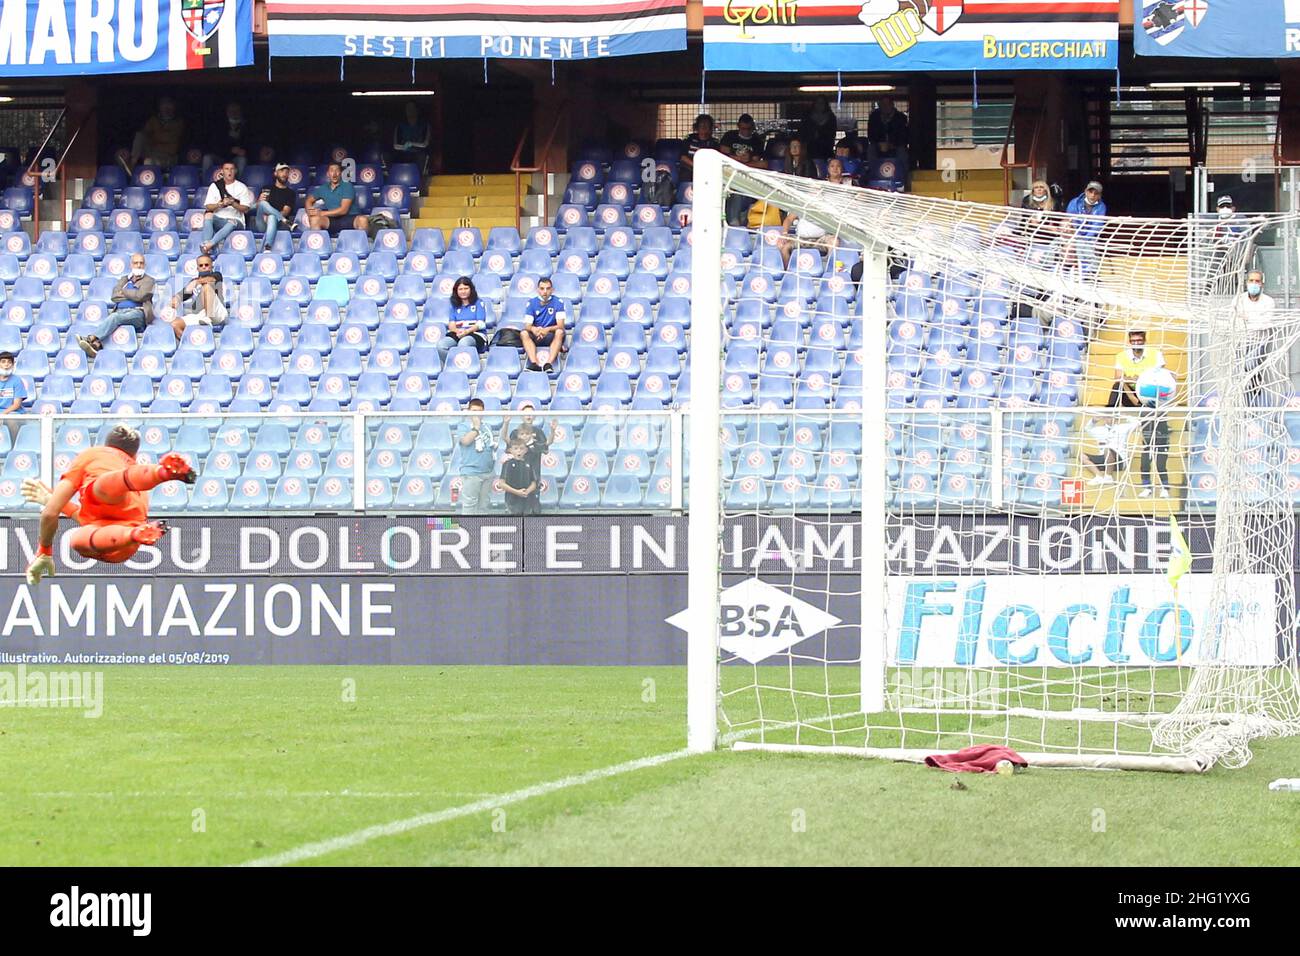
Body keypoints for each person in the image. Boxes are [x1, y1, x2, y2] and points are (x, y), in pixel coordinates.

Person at [21, 424, 197, 585]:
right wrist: (51, 500)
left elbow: (50, 513)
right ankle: (161, 473)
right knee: (107, 488)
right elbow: (89, 517)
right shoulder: (140, 488)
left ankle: (134, 533)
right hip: (125, 540)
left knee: (78, 537)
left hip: (111, 534)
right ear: (134, 455)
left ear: (106, 444)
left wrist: (44, 550)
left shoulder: (92, 454)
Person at [1108, 329, 1171, 498]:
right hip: (1132, 395)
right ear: (1129, 341)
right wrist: (1135, 393)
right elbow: (1119, 380)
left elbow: (1162, 377)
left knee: (1156, 446)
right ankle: (1109, 415)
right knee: (1117, 386)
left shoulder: (1155, 355)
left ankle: (1163, 486)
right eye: (1133, 340)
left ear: (1144, 340)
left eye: (1139, 340)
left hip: (1151, 396)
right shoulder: (1122, 356)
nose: (1137, 343)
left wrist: (1139, 379)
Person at [77, 253, 155, 359]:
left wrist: (123, 292)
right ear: (131, 265)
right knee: (116, 317)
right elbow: (114, 296)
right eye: (136, 263)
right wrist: (130, 291)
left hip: (138, 313)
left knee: (115, 317)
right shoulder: (125, 280)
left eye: (141, 263)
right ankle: (95, 346)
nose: (138, 265)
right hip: (120, 311)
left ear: (144, 265)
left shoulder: (149, 281)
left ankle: (91, 338)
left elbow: (140, 296)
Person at [719, 114, 767, 226]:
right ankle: (732, 220)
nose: (746, 131)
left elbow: (756, 161)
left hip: (746, 175)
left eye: (749, 129)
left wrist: (743, 161)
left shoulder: (757, 140)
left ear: (752, 127)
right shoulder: (729, 136)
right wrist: (739, 159)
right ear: (738, 126)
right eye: (743, 128)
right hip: (728, 173)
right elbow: (722, 154)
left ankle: (738, 221)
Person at [200, 161, 253, 255]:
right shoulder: (214, 186)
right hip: (219, 219)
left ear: (235, 171)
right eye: (227, 169)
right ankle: (206, 245)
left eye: (232, 169)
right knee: (208, 215)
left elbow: (246, 209)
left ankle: (209, 245)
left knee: (232, 221)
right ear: (222, 171)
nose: (229, 171)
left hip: (236, 221)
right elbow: (208, 206)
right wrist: (220, 204)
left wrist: (233, 204)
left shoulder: (241, 187)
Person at [169, 253, 226, 341]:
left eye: (206, 265)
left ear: (211, 266)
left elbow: (211, 280)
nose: (204, 267)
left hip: (217, 313)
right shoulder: (193, 281)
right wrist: (176, 299)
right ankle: (188, 343)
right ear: (197, 268)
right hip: (200, 315)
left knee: (206, 287)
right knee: (175, 324)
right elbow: (183, 294)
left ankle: (207, 319)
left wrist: (196, 283)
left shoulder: (217, 275)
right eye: (201, 265)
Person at [455, 399, 498, 515]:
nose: (477, 414)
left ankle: (480, 531)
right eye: (474, 411)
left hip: (488, 472)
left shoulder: (487, 427)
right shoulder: (463, 426)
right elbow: (465, 441)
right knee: (470, 505)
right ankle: (469, 530)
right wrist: (476, 428)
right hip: (472, 472)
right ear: (468, 411)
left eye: (479, 411)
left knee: (484, 506)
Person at [520, 277, 567, 373]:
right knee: (524, 333)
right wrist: (534, 329)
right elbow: (527, 325)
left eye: (548, 288)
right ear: (538, 290)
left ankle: (548, 364)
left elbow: (561, 325)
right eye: (542, 288)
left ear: (552, 290)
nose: (545, 292)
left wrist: (547, 329)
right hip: (536, 334)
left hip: (551, 335)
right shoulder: (531, 303)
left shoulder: (559, 303)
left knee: (559, 332)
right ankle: (534, 364)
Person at [306, 161, 366, 235]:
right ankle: (318, 246)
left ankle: (359, 245)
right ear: (328, 174)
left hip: (350, 218)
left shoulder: (347, 186)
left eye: (337, 170)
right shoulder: (323, 188)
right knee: (315, 220)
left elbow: (343, 210)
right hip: (332, 220)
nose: (334, 174)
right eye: (331, 171)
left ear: (340, 173)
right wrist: (310, 213)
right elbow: (309, 200)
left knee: (363, 220)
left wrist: (321, 213)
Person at [437, 277, 488, 361]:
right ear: (456, 291)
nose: (463, 291)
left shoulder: (479, 303)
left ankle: (463, 367)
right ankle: (453, 364)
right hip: (458, 333)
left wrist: (466, 332)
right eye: (460, 289)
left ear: (471, 289)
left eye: (466, 288)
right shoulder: (453, 305)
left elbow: (480, 323)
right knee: (441, 345)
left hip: (475, 334)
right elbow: (451, 325)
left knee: (464, 343)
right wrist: (458, 331)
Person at [504, 402, 552, 491]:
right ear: (521, 416)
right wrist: (506, 424)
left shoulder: (539, 432)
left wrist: (552, 431)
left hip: (533, 475)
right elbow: (507, 441)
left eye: (531, 414)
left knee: (533, 503)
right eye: (525, 414)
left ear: (535, 416)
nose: (528, 416)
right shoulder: (515, 433)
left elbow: (547, 444)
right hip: (517, 475)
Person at [1081, 414, 1138, 487]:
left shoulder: (1123, 427)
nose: (1109, 419)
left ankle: (1108, 477)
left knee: (1108, 449)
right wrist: (1093, 421)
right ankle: (1099, 476)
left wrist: (1125, 416)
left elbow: (1137, 424)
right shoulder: (1099, 430)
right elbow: (1087, 429)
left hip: (1120, 460)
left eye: (1111, 417)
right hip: (1104, 459)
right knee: (1082, 456)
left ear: (1116, 418)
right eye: (1107, 417)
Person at [129, 97, 185, 170]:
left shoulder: (178, 122)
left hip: (168, 156)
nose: (166, 107)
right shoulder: (153, 120)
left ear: (174, 106)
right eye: (164, 104)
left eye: (169, 104)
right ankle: (131, 165)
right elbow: (144, 133)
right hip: (152, 151)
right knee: (140, 136)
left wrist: (154, 136)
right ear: (159, 107)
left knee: (149, 162)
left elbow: (168, 138)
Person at [1064, 180, 1107, 275]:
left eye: (1096, 193)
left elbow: (1097, 226)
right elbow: (1070, 219)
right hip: (1073, 234)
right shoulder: (1074, 202)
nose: (1092, 195)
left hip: (1090, 238)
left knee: (1086, 247)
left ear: (1099, 195)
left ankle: (1089, 273)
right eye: (1090, 192)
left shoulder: (1101, 207)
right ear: (1085, 191)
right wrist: (1076, 236)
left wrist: (1085, 238)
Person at [253, 163, 297, 252]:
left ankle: (267, 247)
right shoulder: (266, 188)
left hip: (278, 224)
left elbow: (285, 212)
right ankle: (287, 222)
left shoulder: (290, 193)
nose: (284, 174)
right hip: (262, 222)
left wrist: (271, 217)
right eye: (281, 171)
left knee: (272, 217)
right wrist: (259, 201)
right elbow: (257, 207)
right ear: (275, 173)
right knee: (262, 204)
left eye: (286, 172)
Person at [866, 95, 909, 178]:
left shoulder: (901, 118)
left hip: (896, 146)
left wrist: (892, 145)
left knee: (902, 152)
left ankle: (904, 177)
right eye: (883, 104)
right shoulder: (874, 117)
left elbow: (904, 137)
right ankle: (873, 176)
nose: (885, 107)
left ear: (892, 104)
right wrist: (879, 144)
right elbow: (870, 135)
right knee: (871, 149)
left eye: (887, 104)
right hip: (878, 146)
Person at [204, 101, 249, 174]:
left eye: (236, 111)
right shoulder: (219, 125)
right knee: (207, 158)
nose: (234, 113)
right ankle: (205, 183)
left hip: (236, 158)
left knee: (242, 160)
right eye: (231, 111)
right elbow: (214, 144)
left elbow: (249, 144)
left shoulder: (245, 126)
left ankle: (240, 184)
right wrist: (230, 150)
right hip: (221, 157)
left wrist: (243, 151)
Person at [499, 438, 539, 516]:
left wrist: (527, 491)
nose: (519, 451)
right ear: (510, 450)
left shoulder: (529, 464)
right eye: (516, 448)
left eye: (521, 448)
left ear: (526, 450)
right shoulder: (507, 464)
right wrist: (517, 492)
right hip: (512, 500)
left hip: (527, 500)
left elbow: (533, 483)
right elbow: (502, 484)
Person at [679, 114, 720, 183]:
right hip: (689, 169)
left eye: (706, 125)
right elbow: (683, 157)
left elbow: (716, 160)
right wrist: (696, 166)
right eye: (701, 125)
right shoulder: (689, 138)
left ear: (711, 128)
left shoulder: (714, 142)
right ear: (697, 127)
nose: (704, 127)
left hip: (708, 171)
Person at [393, 101, 432, 173]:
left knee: (422, 157)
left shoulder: (425, 125)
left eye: (412, 108)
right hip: (404, 154)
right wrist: (404, 147)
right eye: (408, 108)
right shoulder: (400, 126)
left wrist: (411, 144)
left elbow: (425, 144)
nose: (410, 111)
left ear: (417, 110)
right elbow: (395, 146)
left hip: (419, 154)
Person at [799, 96, 838, 161]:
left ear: (826, 104)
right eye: (818, 103)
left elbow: (832, 134)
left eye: (822, 103)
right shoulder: (807, 117)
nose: (820, 105)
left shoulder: (831, 117)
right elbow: (802, 133)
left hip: (826, 150)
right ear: (814, 104)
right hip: (810, 150)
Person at [0, 350, 26, 445]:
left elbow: (17, 404)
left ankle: (14, 447)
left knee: (12, 421)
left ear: (12, 365)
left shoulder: (17, 380)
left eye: (9, 362)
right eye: (3, 362)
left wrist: (3, 414)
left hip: (12, 412)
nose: (6, 364)